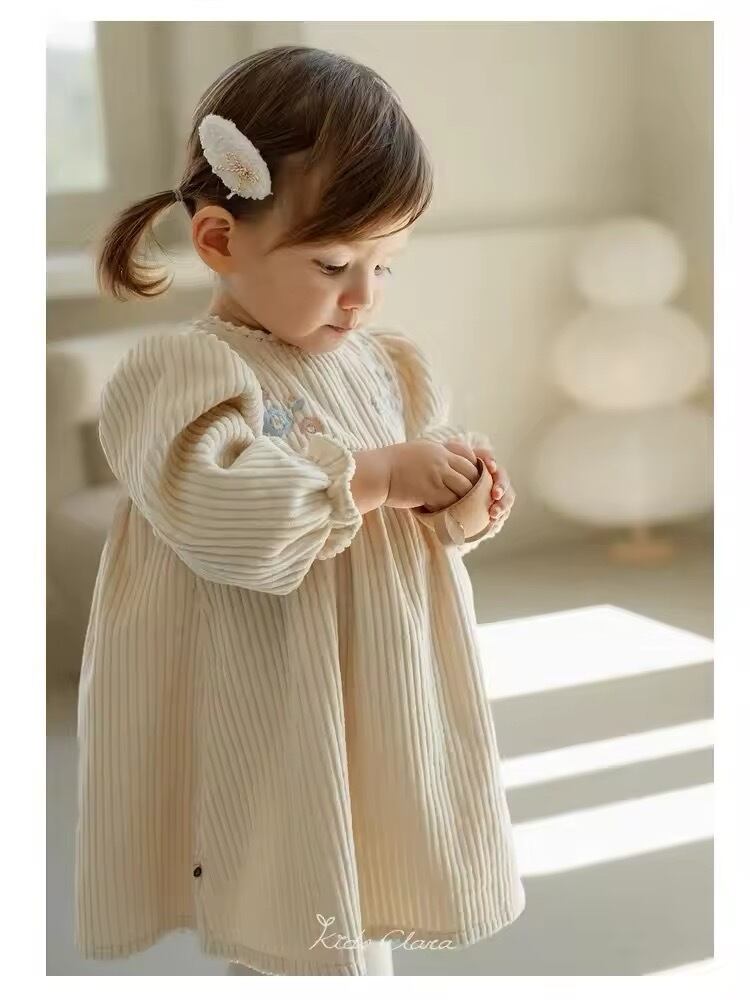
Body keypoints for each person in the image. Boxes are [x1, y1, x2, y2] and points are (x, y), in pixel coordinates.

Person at [74, 45, 524, 977]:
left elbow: (413, 511)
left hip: (379, 682)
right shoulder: (189, 374)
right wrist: (375, 478)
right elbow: (223, 518)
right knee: (292, 895)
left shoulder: (387, 364)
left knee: (360, 870)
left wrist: (459, 502)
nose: (361, 298)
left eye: (385, 266)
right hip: (275, 689)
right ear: (218, 240)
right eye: (332, 263)